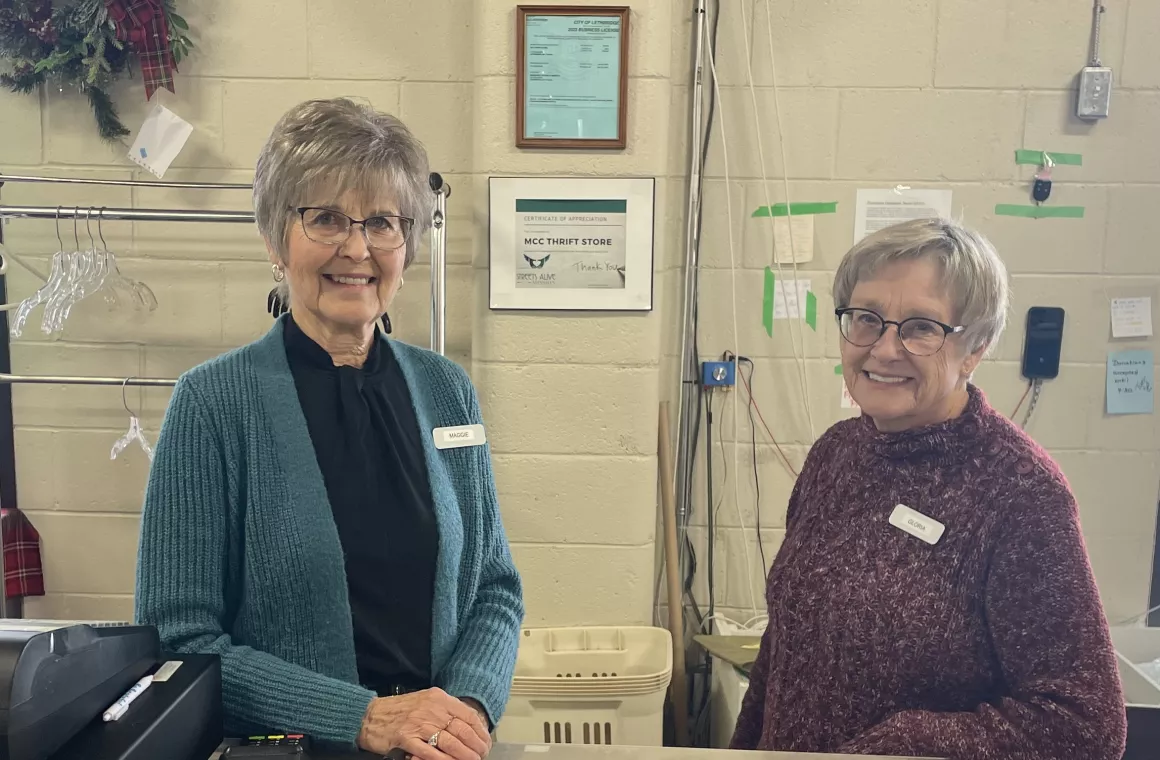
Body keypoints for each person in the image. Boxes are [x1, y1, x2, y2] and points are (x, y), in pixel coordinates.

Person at [134, 98, 524, 760]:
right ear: (272, 239)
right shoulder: (213, 404)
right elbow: (179, 640)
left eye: (382, 222)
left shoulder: (447, 392)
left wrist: (462, 710)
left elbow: (494, 588)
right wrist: (363, 717)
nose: (357, 247)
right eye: (325, 219)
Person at [730, 218, 1126, 759]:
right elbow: (784, 650)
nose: (885, 349)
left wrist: (911, 741)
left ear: (975, 349)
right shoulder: (837, 453)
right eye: (867, 319)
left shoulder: (1020, 494)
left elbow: (1085, 724)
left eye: (921, 327)